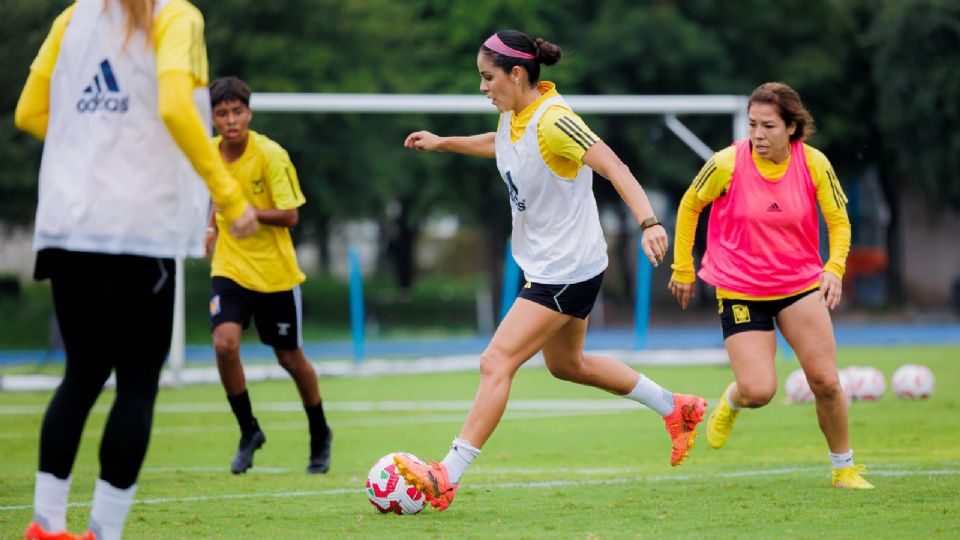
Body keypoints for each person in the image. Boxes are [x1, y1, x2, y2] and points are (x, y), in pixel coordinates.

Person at [393, 29, 709, 512]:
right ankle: (676, 407)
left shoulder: (555, 119)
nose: (483, 87)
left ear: (517, 75)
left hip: (566, 270)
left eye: (487, 78)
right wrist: (443, 143)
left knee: (495, 362)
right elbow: (499, 145)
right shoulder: (515, 116)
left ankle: (447, 473)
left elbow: (615, 166)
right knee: (567, 365)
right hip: (554, 264)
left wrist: (648, 221)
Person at [14, 0, 258, 538]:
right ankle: (104, 530)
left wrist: (91, 150)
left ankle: (47, 524)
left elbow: (29, 113)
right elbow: (174, 106)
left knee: (80, 375)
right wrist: (229, 197)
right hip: (136, 228)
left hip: (67, 225)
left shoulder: (72, 16)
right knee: (136, 386)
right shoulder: (176, 15)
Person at [668, 82, 873, 489]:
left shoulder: (814, 164)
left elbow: (839, 222)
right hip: (740, 288)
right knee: (759, 390)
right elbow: (691, 203)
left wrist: (833, 267)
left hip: (798, 285)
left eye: (768, 126)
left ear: (792, 128)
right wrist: (683, 267)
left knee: (826, 382)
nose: (758, 135)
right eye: (752, 125)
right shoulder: (726, 163)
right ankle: (732, 400)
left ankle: (844, 468)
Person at [205, 76, 332, 475]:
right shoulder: (207, 153)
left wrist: (248, 213)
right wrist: (212, 226)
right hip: (230, 267)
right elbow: (214, 194)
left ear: (249, 113)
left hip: (275, 275)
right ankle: (249, 431)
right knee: (225, 344)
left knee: (289, 358)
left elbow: (291, 215)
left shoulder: (270, 155)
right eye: (222, 113)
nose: (230, 120)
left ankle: (319, 431)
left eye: (237, 112)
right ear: (212, 118)